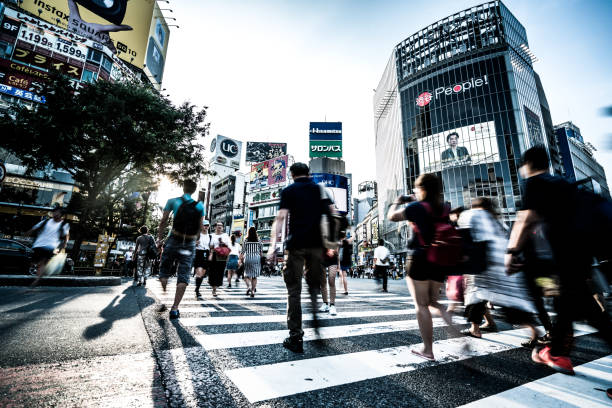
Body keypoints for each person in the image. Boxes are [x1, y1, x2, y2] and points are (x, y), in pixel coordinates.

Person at [506, 145, 612, 374]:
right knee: (577, 305)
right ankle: (557, 353)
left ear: (528, 166)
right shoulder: (563, 184)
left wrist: (512, 252)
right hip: (580, 256)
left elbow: (526, 219)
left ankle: (555, 352)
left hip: (562, 259)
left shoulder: (536, 183)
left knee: (581, 307)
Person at [387, 173, 460, 361]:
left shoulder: (415, 207)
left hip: (419, 258)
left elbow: (392, 216)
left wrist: (397, 201)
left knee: (421, 305)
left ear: (423, 189)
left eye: (417, 188)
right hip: (439, 260)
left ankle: (428, 349)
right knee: (435, 303)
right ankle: (459, 337)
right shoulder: (444, 208)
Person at [268, 162, 334, 353]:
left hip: (296, 245)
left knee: (293, 290)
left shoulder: (288, 190)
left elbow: (280, 219)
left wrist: (273, 247)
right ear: (309, 173)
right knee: (314, 287)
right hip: (316, 246)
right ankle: (317, 327)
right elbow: (333, 214)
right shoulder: (320, 189)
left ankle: (295, 336)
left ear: (291, 174)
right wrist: (331, 244)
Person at [458, 198, 541, 345]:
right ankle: (534, 330)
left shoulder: (471, 215)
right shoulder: (497, 221)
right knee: (510, 303)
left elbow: (465, 237)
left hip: (483, 264)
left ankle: (475, 329)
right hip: (502, 265)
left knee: (474, 296)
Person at [156, 180, 205, 319]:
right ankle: (175, 308)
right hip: (189, 243)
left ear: (183, 188)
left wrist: (160, 239)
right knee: (183, 273)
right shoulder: (200, 205)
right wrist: (195, 240)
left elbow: (163, 222)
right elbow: (201, 227)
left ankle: (165, 296)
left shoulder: (173, 201)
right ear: (194, 190)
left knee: (164, 269)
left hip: (173, 239)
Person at [27, 204, 70, 286]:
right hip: (38, 245)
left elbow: (66, 236)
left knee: (42, 263)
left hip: (50, 246)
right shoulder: (45, 221)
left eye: (57, 213)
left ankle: (37, 280)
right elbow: (34, 228)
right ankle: (43, 271)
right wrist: (28, 233)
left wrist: (64, 245)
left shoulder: (64, 225)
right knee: (34, 263)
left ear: (61, 215)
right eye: (54, 212)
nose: (55, 214)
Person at [208, 222, 231, 297]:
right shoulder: (212, 235)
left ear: (223, 227)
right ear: (215, 227)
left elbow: (229, 246)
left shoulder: (225, 235)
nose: (219, 227)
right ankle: (214, 288)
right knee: (213, 271)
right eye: (218, 225)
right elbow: (210, 246)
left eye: (221, 225)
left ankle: (215, 287)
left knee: (220, 272)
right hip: (214, 255)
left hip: (222, 256)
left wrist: (222, 242)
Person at [241, 227, 263, 298]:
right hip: (256, 258)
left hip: (248, 258)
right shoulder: (259, 240)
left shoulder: (246, 240)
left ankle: (249, 287)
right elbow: (261, 252)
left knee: (246, 275)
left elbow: (242, 251)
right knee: (254, 276)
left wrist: (240, 260)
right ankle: (253, 291)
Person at [194, 220, 212, 299]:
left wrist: (211, 255)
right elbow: (191, 244)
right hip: (198, 253)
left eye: (207, 225)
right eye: (204, 225)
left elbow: (211, 247)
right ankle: (197, 290)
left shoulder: (210, 236)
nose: (206, 227)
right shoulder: (198, 235)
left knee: (202, 273)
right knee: (199, 272)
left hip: (206, 254)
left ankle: (197, 288)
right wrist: (195, 243)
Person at [319, 247, 340, 316]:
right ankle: (325, 303)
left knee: (331, 279)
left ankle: (332, 305)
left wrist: (334, 251)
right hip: (321, 257)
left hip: (333, 258)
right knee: (322, 282)